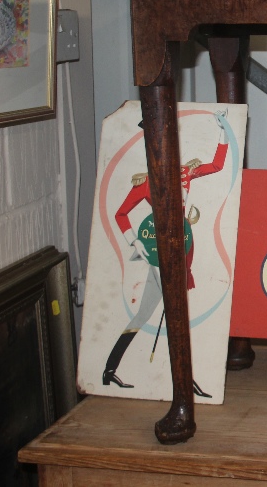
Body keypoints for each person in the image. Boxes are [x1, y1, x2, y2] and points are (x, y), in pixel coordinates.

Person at [100, 112, 230, 397]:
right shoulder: (147, 182)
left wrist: (223, 131)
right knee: (173, 315)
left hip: (182, 250)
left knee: (152, 315)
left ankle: (111, 371)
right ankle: (184, 381)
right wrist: (136, 244)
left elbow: (218, 165)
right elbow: (120, 213)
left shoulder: (185, 173)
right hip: (161, 256)